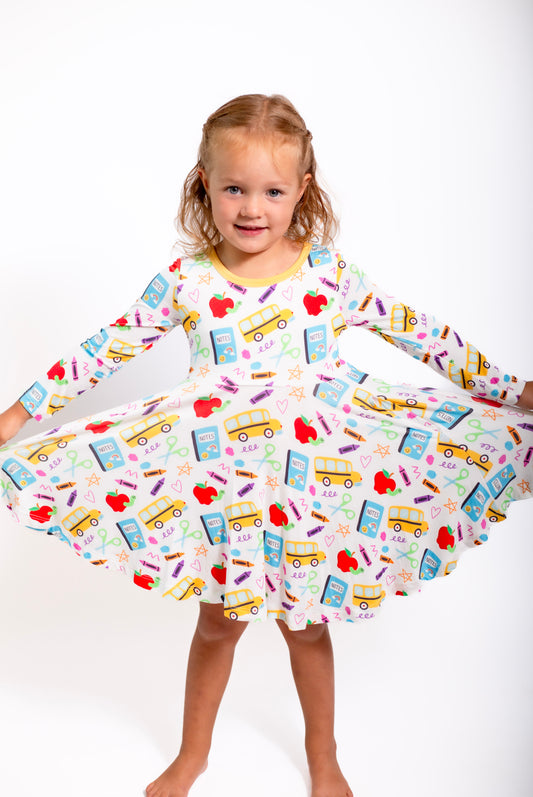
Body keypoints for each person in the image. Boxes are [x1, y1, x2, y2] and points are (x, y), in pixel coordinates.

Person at [0, 94, 531, 797]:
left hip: (308, 490)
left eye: (273, 191)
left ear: (302, 190)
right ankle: (193, 755)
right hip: (224, 488)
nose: (252, 208)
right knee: (218, 626)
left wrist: (510, 389)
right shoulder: (188, 281)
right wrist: (17, 415)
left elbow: (423, 335)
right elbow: (105, 348)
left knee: (305, 629)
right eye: (234, 189)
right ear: (204, 184)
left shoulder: (327, 276)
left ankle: (323, 757)